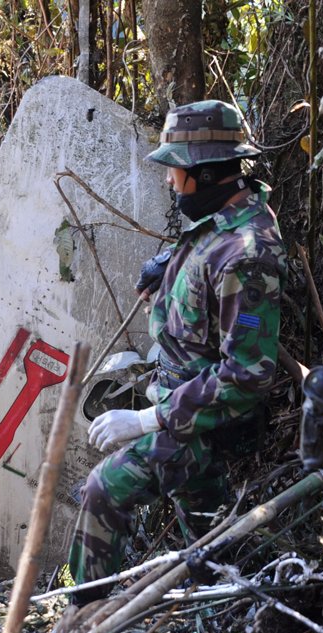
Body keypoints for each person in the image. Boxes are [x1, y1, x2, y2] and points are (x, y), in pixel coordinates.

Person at [66, 100, 286, 605]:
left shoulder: (248, 257)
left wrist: (148, 421)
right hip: (181, 410)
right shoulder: (230, 213)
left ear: (207, 174)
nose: (170, 182)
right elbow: (210, 248)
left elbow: (247, 375)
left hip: (199, 428)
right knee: (212, 547)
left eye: (177, 172)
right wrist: (169, 264)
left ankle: (84, 622)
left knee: (104, 492)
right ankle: (226, 620)